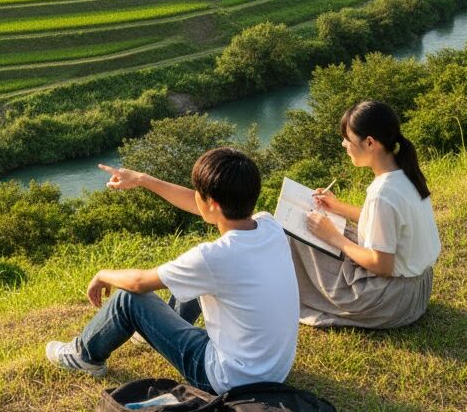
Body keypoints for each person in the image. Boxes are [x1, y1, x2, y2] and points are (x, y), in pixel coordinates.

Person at [45, 148, 299, 395]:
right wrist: (142, 179)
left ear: (212, 203)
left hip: (227, 379)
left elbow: (138, 283)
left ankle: (84, 355)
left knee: (128, 299)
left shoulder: (213, 258)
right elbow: (204, 206)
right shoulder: (269, 226)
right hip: (273, 371)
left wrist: (102, 274)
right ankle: (153, 331)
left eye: (199, 193)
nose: (195, 196)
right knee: (193, 276)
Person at [294, 100, 441, 329]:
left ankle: (290, 292)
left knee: (298, 239)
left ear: (370, 142)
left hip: (393, 300)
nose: (344, 144)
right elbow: (384, 222)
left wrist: (334, 237)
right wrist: (337, 206)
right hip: (419, 287)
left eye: (347, 138)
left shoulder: (382, 193)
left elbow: (381, 265)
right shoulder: (404, 173)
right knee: (330, 231)